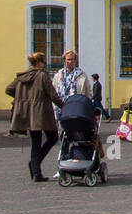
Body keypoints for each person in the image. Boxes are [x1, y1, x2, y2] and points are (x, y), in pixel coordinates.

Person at [6, 52, 61, 181]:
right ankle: (35, 165)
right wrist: (65, 106)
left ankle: (36, 171)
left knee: (36, 142)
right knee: (53, 137)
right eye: (44, 61)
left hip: (27, 113)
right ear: (40, 62)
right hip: (42, 112)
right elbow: (53, 95)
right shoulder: (42, 76)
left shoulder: (22, 76)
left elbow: (8, 89)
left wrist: (21, 98)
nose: (45, 63)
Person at [51, 50, 91, 130]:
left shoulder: (81, 75)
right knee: (61, 131)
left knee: (75, 130)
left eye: (73, 59)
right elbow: (53, 91)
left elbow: (88, 92)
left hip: (75, 107)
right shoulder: (58, 75)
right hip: (60, 107)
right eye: (68, 59)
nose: (70, 61)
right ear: (64, 61)